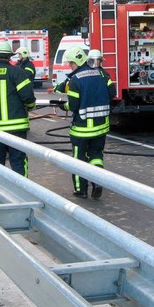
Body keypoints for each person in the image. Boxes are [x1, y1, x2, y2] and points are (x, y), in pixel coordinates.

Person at [58, 46, 112, 199]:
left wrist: (63, 106)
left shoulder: (76, 80)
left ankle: (80, 190)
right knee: (96, 155)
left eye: (71, 63)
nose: (70, 66)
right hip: (101, 126)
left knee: (79, 160)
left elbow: (74, 105)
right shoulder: (101, 74)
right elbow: (110, 94)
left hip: (82, 129)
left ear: (77, 61)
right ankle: (97, 181)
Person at [0, 41, 36, 177]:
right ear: (9, 57)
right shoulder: (17, 72)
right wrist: (30, 107)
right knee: (18, 161)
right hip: (17, 127)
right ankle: (21, 191)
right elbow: (28, 96)